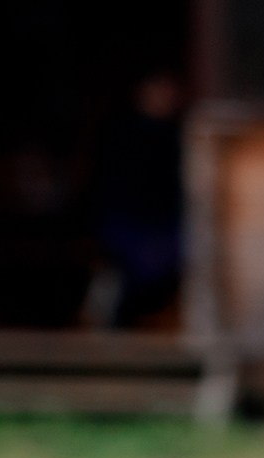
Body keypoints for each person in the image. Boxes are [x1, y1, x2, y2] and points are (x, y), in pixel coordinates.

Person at [88, 72, 186, 329]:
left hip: (164, 227)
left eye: (169, 92)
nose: (164, 98)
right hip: (127, 224)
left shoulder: (179, 136)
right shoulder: (122, 134)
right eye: (157, 90)